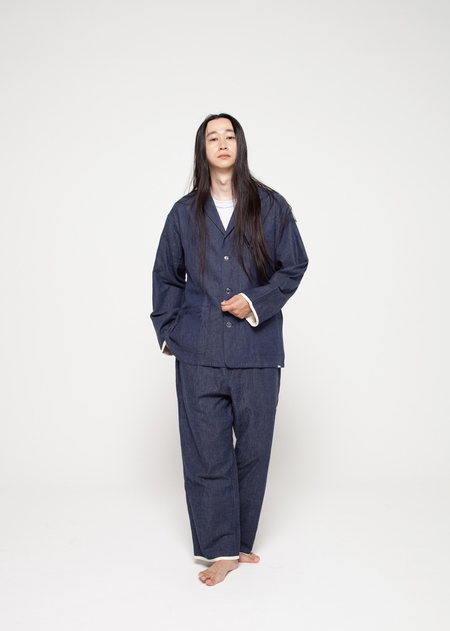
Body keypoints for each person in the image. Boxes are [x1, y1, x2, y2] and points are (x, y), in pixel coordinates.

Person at [151, 113, 308, 586]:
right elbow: (165, 275)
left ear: (240, 145)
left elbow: (294, 265)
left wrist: (255, 302)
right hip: (199, 352)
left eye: (229, 135)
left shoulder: (270, 205)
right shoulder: (183, 213)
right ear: (203, 150)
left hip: (257, 350)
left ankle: (238, 540)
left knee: (254, 450)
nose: (222, 142)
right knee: (206, 452)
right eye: (212, 137)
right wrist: (170, 333)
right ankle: (221, 549)